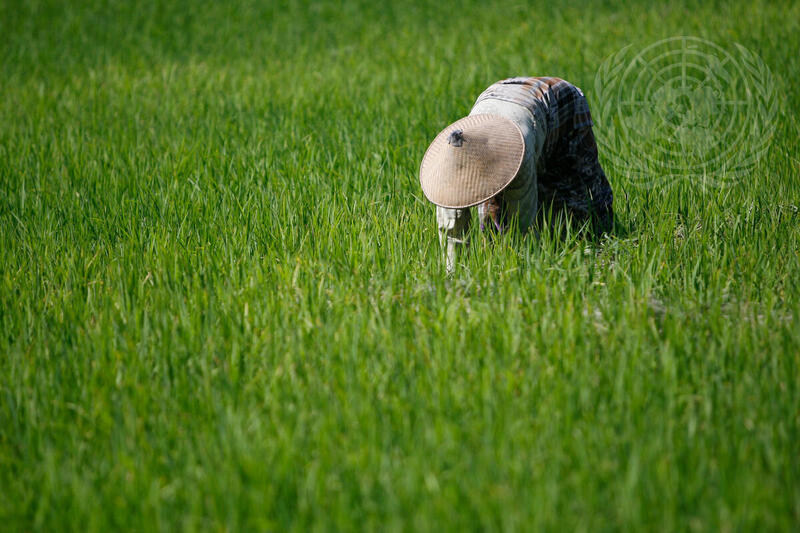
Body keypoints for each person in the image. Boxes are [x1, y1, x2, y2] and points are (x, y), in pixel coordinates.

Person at [419, 77, 614, 272]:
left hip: (557, 102)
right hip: (498, 99)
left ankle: (602, 245)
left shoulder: (519, 155)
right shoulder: (445, 175)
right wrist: (454, 276)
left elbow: (522, 226)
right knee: (491, 223)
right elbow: (452, 231)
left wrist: (514, 270)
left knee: (577, 200)